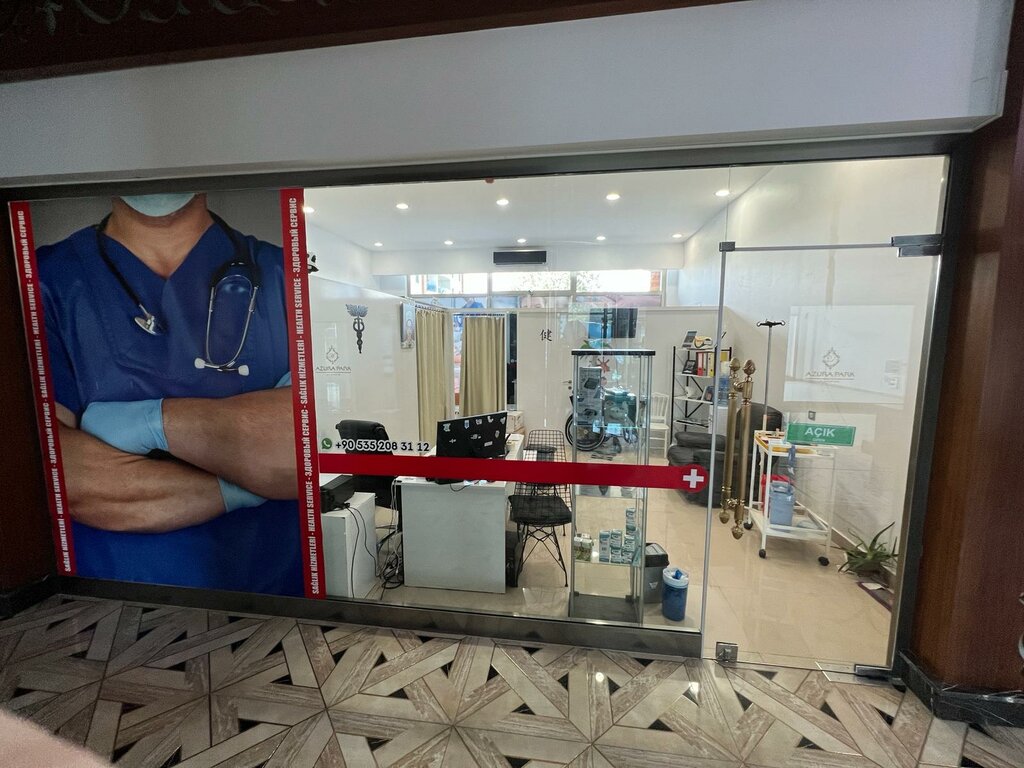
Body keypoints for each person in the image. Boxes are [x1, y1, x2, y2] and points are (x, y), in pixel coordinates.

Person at [37, 193, 303, 595]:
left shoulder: (287, 275)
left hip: (276, 595)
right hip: (106, 598)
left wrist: (143, 425)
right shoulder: (44, 280)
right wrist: (252, 477)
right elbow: (65, 478)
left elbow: (308, 447)